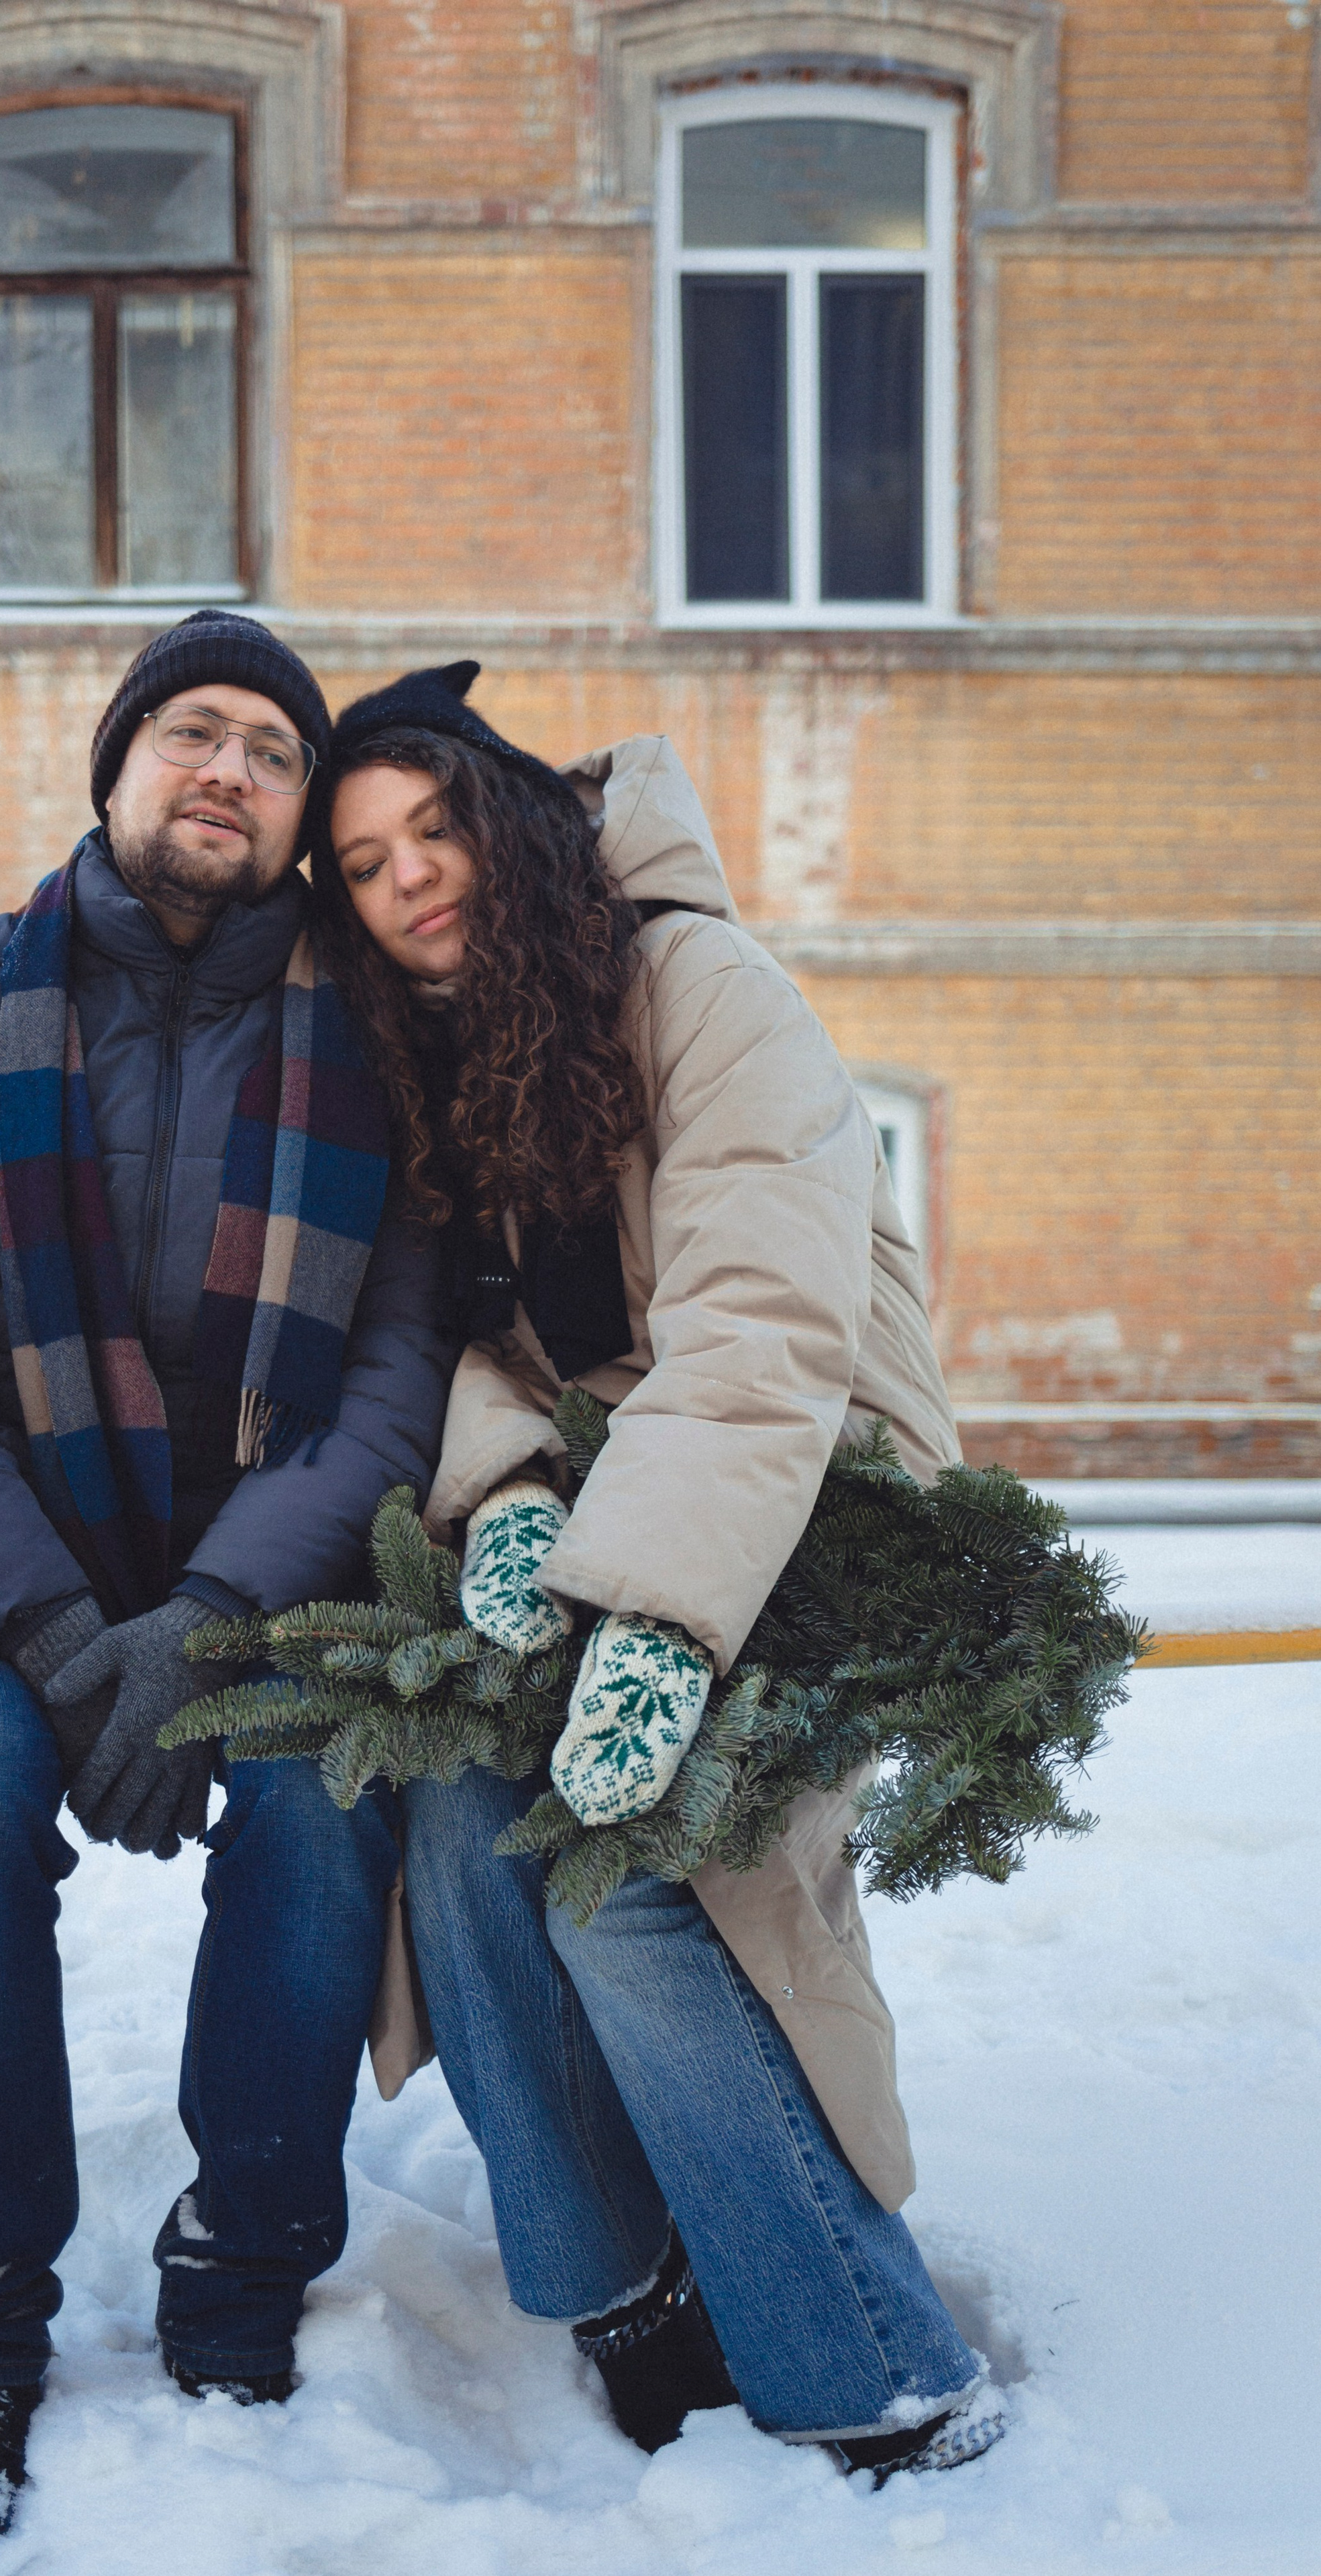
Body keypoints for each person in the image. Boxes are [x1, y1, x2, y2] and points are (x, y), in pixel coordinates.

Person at [0, 614, 456, 2552]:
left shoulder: (380, 1043)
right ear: (118, 768)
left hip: (266, 1568)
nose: (226, 767)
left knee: (329, 1810)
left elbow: (394, 1374)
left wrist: (215, 1621)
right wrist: (63, 1629)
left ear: (302, 810)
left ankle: (246, 2261)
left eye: (268, 747)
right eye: (190, 731)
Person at [309, 661, 1006, 2483]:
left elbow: (761, 1327)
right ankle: (625, 2294)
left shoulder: (701, 986)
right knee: (461, 1820)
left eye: (436, 824)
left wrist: (660, 1622)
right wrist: (517, 1487)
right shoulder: (449, 1067)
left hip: (817, 1510)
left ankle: (878, 2369)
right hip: (636, 1509)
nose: (411, 879)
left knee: (627, 1872)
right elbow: (483, 1348)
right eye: (367, 862)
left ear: (517, 817)